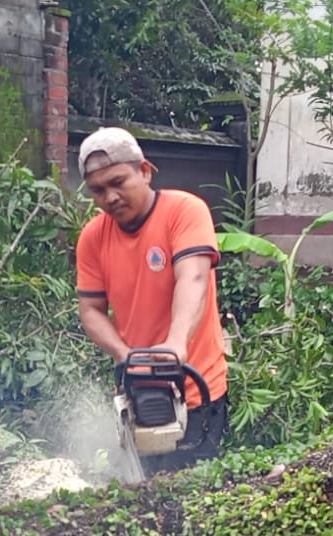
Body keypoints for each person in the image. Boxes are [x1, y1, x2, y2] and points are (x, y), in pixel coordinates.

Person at [74, 127, 229, 475]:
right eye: (98, 190)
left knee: (192, 494)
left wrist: (176, 343)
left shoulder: (184, 211)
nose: (110, 197)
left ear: (145, 171)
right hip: (136, 390)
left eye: (118, 182)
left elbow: (193, 278)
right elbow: (91, 310)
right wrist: (122, 354)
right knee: (143, 492)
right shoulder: (93, 238)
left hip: (194, 387)